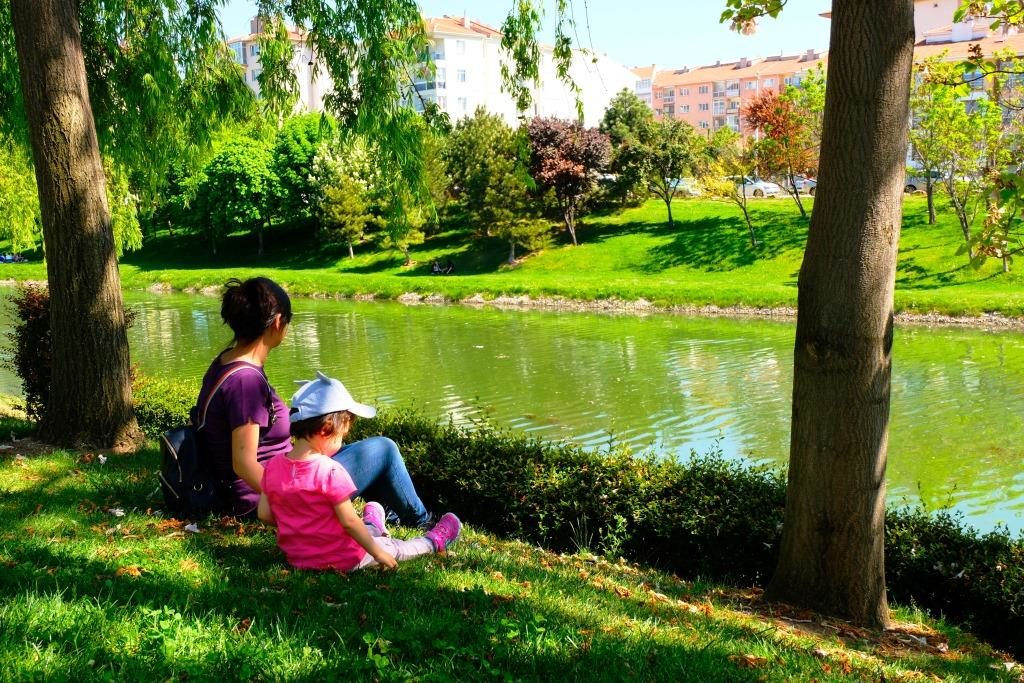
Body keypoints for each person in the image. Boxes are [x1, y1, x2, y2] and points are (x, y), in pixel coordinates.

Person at [195, 276, 433, 526]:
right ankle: (422, 522)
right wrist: (287, 499)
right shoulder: (246, 382)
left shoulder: (228, 361)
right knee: (383, 449)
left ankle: (390, 513)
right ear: (278, 322)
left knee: (348, 449)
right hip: (265, 501)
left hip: (285, 477)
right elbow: (243, 464)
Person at [257, 372, 461, 571]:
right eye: (341, 436)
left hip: (299, 559)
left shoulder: (273, 466)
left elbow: (264, 514)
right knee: (396, 547)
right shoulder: (330, 472)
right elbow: (349, 522)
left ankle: (373, 526)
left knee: (355, 531)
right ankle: (434, 541)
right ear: (326, 429)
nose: (342, 442)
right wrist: (378, 553)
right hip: (344, 557)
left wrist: (301, 529)